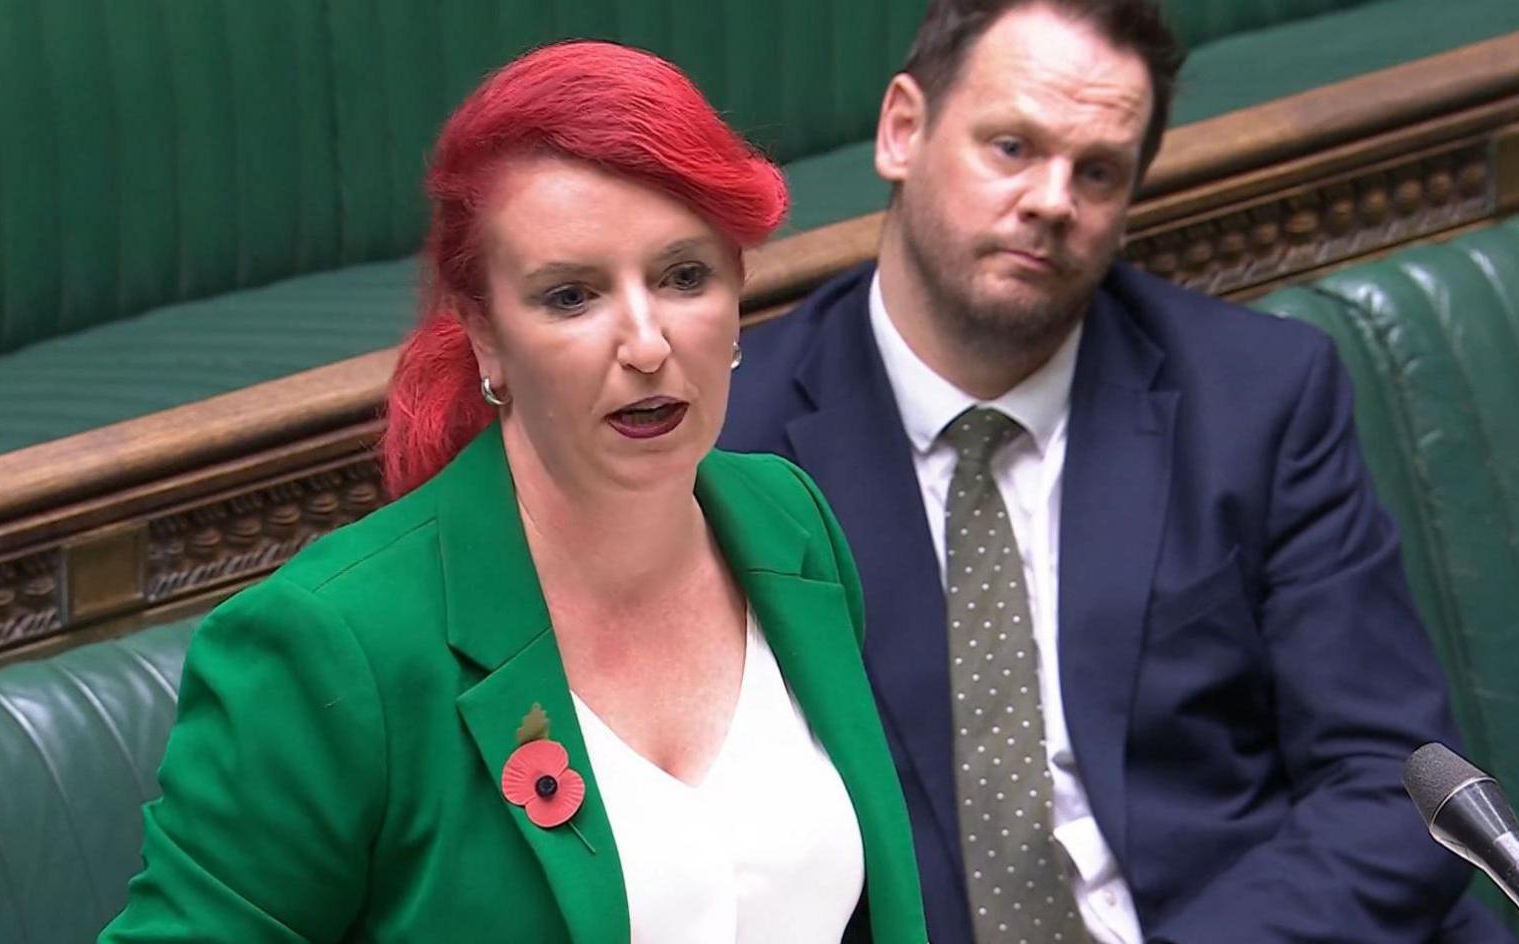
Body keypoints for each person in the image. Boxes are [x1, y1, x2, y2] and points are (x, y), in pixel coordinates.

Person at [101, 41, 927, 944]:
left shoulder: (788, 523)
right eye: (573, 296)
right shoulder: (329, 648)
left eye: (683, 276)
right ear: (486, 338)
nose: (646, 343)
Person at [721, 1, 1512, 942]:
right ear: (902, 130)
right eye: (1012, 147)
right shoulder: (735, 445)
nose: (1054, 200)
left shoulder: (1255, 397)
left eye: (1097, 172)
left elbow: (1391, 782)